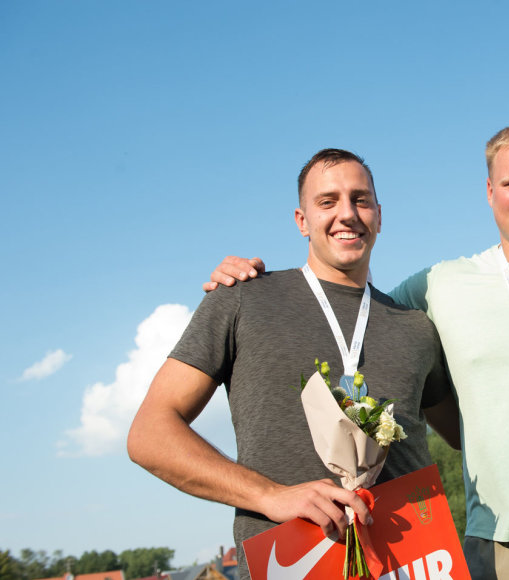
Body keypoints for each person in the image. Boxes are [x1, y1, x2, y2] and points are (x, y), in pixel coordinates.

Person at [207, 123, 509, 580]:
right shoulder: (437, 287)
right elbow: (352, 309)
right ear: (490, 191)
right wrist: (253, 284)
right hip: (497, 541)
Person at [127, 149, 460, 580]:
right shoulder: (242, 298)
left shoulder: (416, 327)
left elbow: (465, 434)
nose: (347, 214)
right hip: (291, 563)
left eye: (360, 200)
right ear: (302, 220)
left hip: (416, 560)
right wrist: (270, 496)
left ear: (378, 214)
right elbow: (148, 435)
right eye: (327, 202)